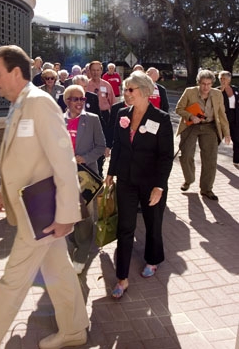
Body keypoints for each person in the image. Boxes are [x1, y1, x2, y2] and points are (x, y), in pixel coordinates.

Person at [0, 45, 89, 349]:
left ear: (15, 72)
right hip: (32, 210)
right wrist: (2, 191)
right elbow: (22, 157)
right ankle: (75, 331)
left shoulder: (39, 103)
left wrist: (66, 215)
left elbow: (63, 159)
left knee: (10, 285)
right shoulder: (19, 103)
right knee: (59, 272)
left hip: (42, 214)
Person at [105, 71, 173, 298]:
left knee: (153, 223)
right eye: (125, 89)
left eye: (130, 89)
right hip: (126, 180)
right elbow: (117, 145)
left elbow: (165, 156)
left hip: (151, 181)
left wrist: (160, 186)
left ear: (144, 91)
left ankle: (153, 260)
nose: (125, 93)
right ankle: (122, 278)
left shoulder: (161, 119)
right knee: (125, 227)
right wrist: (111, 173)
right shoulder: (122, 114)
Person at [63, 85, 106, 274]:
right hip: (64, 176)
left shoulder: (93, 120)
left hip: (86, 176)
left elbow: (101, 147)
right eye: (75, 99)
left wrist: (85, 158)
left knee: (86, 216)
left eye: (82, 99)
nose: (79, 102)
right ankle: (74, 241)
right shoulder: (58, 120)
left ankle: (81, 255)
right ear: (67, 101)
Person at [176, 69, 231, 201]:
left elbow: (222, 115)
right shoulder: (189, 92)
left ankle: (206, 189)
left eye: (208, 84)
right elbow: (179, 108)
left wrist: (227, 134)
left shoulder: (217, 94)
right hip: (191, 126)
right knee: (186, 155)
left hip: (209, 127)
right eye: (203, 84)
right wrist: (190, 116)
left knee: (210, 159)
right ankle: (189, 179)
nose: (206, 87)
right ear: (198, 83)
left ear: (212, 83)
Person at [87, 61, 115, 176]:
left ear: (101, 71)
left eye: (98, 70)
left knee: (102, 142)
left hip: (104, 116)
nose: (95, 72)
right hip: (90, 117)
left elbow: (113, 103)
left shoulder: (107, 85)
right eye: (93, 70)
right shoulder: (86, 85)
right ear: (89, 71)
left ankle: (100, 168)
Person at [218, 71, 239, 169]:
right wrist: (220, 91)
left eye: (224, 79)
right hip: (223, 118)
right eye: (221, 79)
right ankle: (210, 156)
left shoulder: (235, 89)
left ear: (229, 79)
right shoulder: (217, 91)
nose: (222, 80)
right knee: (217, 139)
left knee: (237, 139)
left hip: (235, 117)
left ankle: (236, 160)